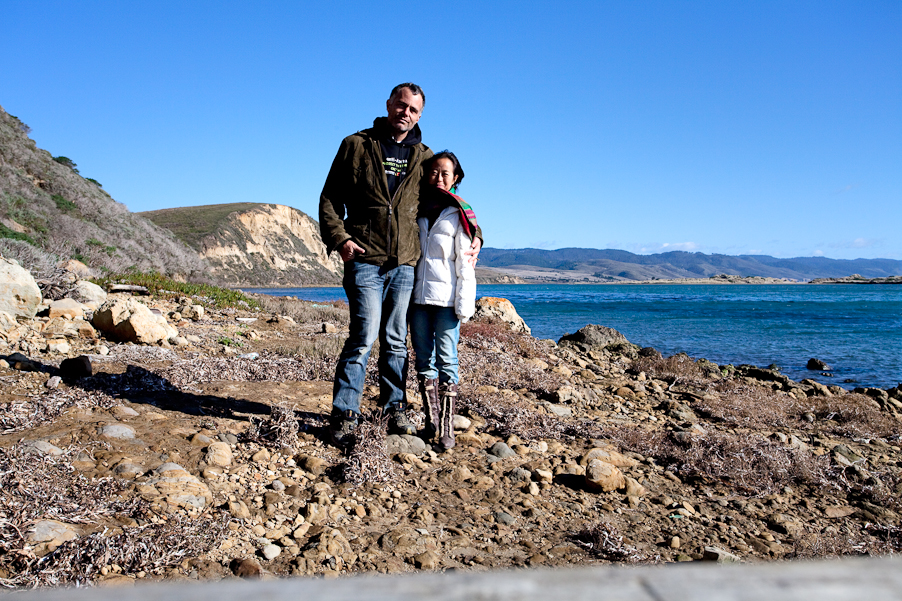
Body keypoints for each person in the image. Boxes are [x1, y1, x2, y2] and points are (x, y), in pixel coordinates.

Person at [319, 83, 482, 447]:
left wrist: (477, 234)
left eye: (413, 109)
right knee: (363, 337)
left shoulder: (424, 157)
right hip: (365, 258)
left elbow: (449, 201)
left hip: (405, 265)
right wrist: (340, 239)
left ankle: (394, 409)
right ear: (389, 104)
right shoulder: (356, 145)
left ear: (420, 115)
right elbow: (330, 198)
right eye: (401, 105)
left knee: (395, 340)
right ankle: (345, 413)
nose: (405, 113)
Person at [410, 151, 477, 451]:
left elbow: (466, 263)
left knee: (447, 360)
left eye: (445, 173)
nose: (439, 178)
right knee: (423, 360)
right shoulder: (418, 209)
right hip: (418, 299)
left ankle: (447, 426)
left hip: (446, 301)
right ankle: (431, 421)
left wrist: (464, 304)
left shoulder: (460, 213)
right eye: (434, 172)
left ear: (455, 178)